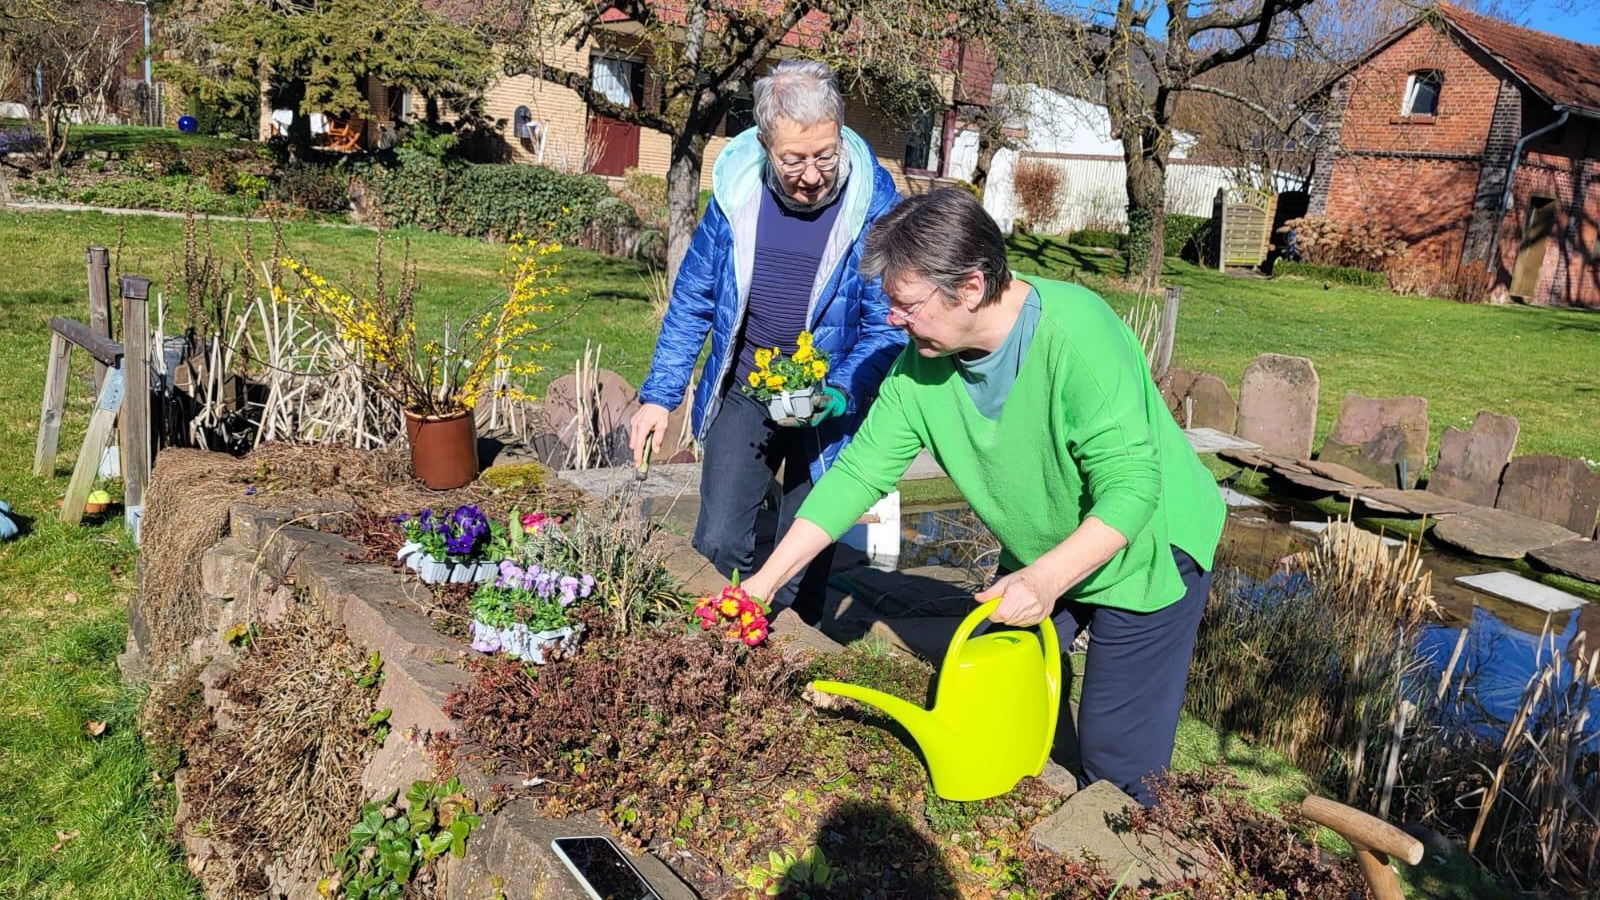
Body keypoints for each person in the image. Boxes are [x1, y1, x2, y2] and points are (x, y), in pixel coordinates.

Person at [739, 188, 1226, 806]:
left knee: (1115, 760)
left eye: (906, 304)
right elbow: (857, 476)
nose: (892, 319)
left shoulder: (1075, 335)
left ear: (970, 287)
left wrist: (1045, 581)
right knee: (985, 683)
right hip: (1045, 541)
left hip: (1148, 548)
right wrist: (764, 584)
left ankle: (1134, 847)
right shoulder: (920, 367)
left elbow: (1131, 490)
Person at [630, 60, 904, 623]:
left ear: (840, 132)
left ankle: (790, 655)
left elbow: (885, 326)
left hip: (829, 396)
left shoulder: (876, 207)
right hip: (748, 385)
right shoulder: (736, 193)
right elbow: (694, 298)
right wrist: (660, 395)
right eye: (794, 159)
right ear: (764, 144)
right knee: (719, 540)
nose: (812, 175)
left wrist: (838, 393)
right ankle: (711, 644)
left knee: (803, 555)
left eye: (825, 155)